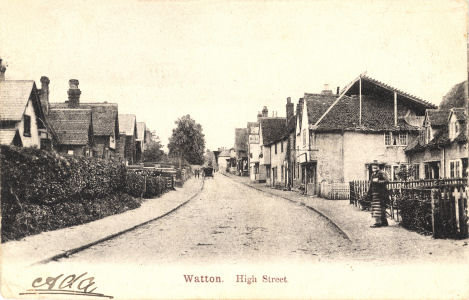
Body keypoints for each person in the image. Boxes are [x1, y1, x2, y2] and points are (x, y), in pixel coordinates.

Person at [367, 160, 389, 228]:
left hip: (381, 193)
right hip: (374, 193)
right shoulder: (373, 174)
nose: (374, 167)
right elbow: (371, 184)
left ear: (378, 166)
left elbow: (387, 181)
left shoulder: (381, 173)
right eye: (373, 166)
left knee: (379, 208)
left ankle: (378, 222)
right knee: (377, 207)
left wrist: (378, 181)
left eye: (376, 165)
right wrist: (368, 193)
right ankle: (384, 222)